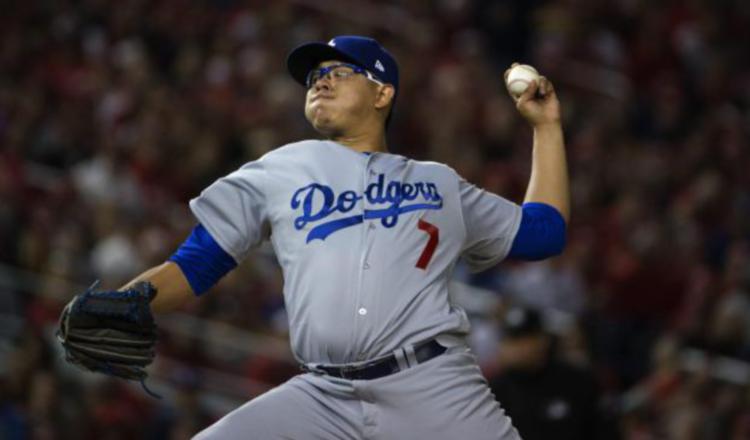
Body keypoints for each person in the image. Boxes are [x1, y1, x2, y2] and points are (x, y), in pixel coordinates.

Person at [118, 35, 569, 439]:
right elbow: (199, 260)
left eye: (338, 72)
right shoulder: (280, 170)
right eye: (314, 76)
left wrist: (545, 127)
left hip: (432, 386)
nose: (320, 81)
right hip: (323, 396)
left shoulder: (439, 183)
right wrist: (128, 304)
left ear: (382, 92)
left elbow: (543, 234)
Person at [488, 306, 614, 440]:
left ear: (543, 339)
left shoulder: (577, 381)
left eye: (526, 338)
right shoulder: (494, 392)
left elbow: (604, 430)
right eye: (513, 340)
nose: (519, 348)